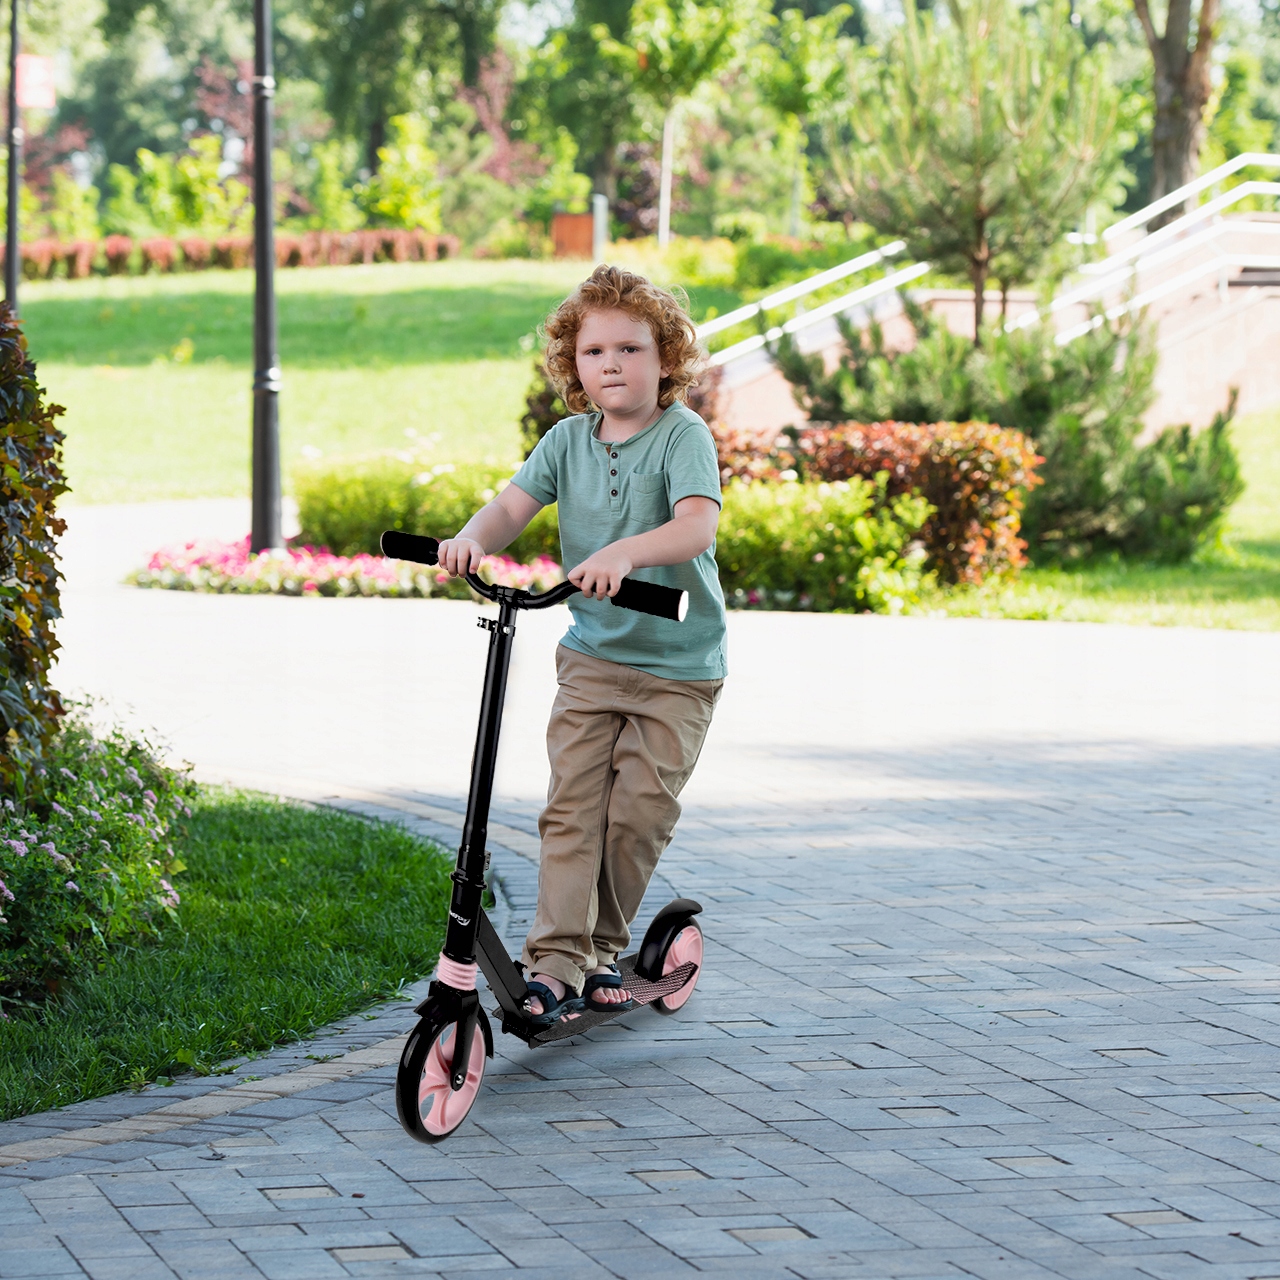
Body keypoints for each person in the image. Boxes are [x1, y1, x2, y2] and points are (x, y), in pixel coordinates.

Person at [435, 264, 727, 1026]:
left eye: (631, 350)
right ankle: (558, 963)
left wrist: (627, 553)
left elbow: (697, 524)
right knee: (571, 810)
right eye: (596, 353)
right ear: (575, 366)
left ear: (665, 359)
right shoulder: (566, 441)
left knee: (635, 813)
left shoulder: (681, 435)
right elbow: (510, 505)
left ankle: (602, 948)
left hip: (677, 665)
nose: (613, 365)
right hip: (594, 657)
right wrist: (471, 539)